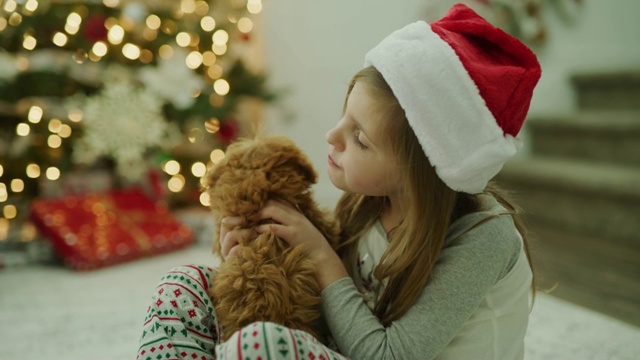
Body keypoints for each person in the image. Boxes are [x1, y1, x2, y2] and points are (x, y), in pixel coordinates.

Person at [137, 3, 541, 359]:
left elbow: (388, 354)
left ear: (423, 168)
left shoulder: (486, 237)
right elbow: (313, 303)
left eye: (359, 139)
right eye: (344, 115)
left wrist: (320, 255)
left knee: (260, 345)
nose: (332, 137)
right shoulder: (369, 204)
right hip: (350, 343)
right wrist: (245, 255)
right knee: (184, 286)